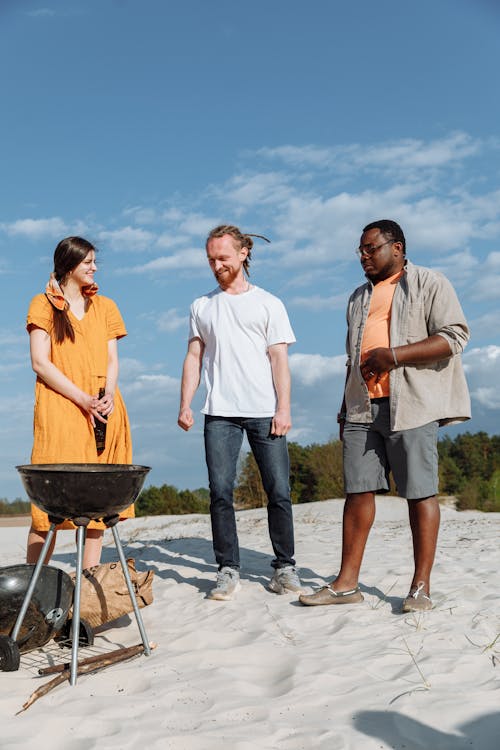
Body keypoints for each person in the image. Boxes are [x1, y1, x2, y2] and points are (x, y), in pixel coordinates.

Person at [299, 219, 470, 612]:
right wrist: (344, 409)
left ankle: (420, 587)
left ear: (397, 247)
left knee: (419, 493)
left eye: (370, 249)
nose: (363, 257)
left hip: (412, 403)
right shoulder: (358, 296)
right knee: (357, 492)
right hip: (361, 406)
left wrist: (393, 357)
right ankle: (346, 584)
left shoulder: (430, 282)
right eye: (359, 251)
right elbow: (351, 358)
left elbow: (455, 336)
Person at [178, 224, 303, 601]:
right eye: (211, 259)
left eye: (223, 258)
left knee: (278, 490)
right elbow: (194, 357)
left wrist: (284, 408)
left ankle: (284, 567)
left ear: (244, 253)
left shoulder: (269, 303)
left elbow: (279, 359)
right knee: (220, 492)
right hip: (219, 413)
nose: (217, 265)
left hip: (265, 411)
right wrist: (185, 402)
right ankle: (227, 568)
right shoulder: (202, 306)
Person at [26, 236, 133, 569]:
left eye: (94, 262)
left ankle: (87, 588)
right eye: (87, 262)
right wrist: (82, 399)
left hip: (104, 411)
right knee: (48, 508)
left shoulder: (107, 307)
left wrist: (107, 396)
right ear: (69, 266)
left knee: (97, 507)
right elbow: (40, 362)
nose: (94, 268)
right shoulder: (42, 305)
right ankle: (35, 588)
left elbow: (112, 361)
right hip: (60, 410)